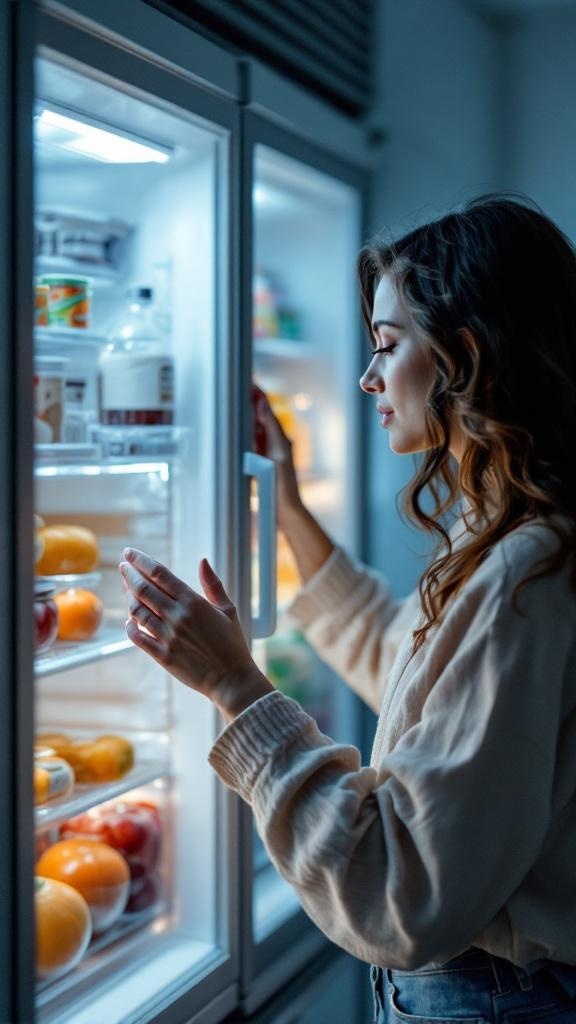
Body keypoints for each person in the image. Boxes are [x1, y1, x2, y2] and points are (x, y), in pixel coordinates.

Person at [119, 195, 576, 1023]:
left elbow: (401, 892)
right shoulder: (510, 530)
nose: (368, 377)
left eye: (388, 347)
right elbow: (410, 668)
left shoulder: (526, 571)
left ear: (464, 356)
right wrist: (288, 505)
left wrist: (235, 687)